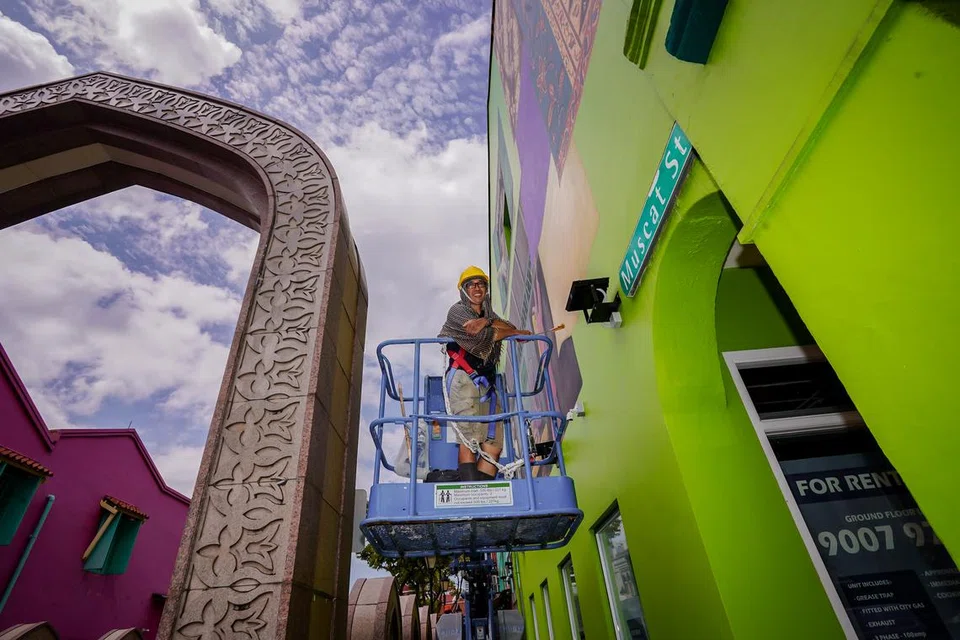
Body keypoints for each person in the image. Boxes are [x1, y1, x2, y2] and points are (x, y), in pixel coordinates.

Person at [438, 266, 530, 481]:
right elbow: (478, 337)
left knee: (493, 443)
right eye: (471, 284)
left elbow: (509, 326)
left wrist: (488, 322)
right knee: (469, 439)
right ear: (463, 289)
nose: (477, 288)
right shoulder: (457, 311)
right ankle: (470, 492)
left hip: (487, 384)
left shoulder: (487, 314)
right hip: (463, 378)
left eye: (481, 284)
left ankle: (483, 491)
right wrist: (504, 331)